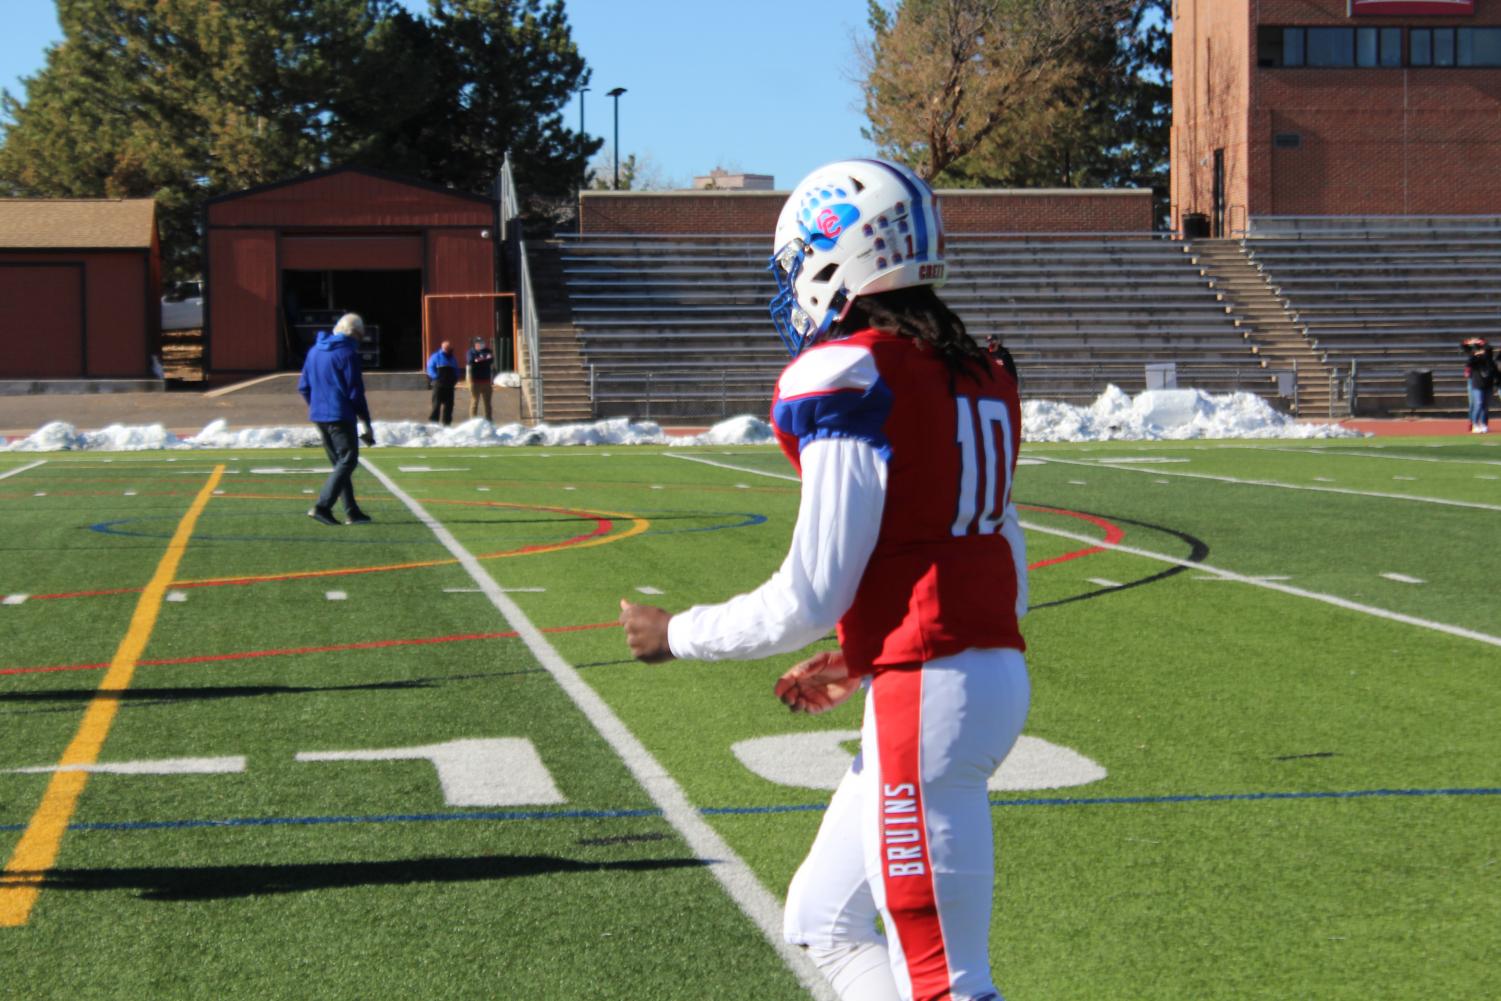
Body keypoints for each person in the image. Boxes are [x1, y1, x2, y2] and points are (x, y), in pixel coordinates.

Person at [619, 158, 1029, 1001]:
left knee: (947, 982)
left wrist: (677, 634)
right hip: (972, 673)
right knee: (822, 918)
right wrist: (868, 653)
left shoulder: (852, 372)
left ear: (835, 253)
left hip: (933, 689)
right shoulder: (971, 366)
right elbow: (999, 553)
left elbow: (808, 594)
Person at [297, 312, 376, 526]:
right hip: (339, 414)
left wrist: (316, 406)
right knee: (348, 460)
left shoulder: (314, 351)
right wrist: (366, 423)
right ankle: (322, 506)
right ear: (356, 334)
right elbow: (355, 392)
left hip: (319, 415)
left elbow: (303, 386)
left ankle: (351, 510)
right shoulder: (347, 353)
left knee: (340, 464)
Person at [1463, 336, 1497, 434]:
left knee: (1485, 406)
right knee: (1478, 403)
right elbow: (1469, 361)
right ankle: (1474, 424)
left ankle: (1484, 424)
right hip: (1477, 384)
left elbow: (1489, 349)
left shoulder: (1490, 362)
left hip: (1488, 385)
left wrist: (1482, 343)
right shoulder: (1475, 361)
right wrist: (1475, 353)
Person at [426, 339, 459, 426]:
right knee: (436, 405)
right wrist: (436, 377)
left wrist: (455, 378)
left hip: (449, 385)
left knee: (449, 406)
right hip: (438, 385)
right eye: (446, 347)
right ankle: (433, 424)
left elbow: (456, 369)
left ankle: (446, 424)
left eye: (449, 347)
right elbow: (430, 368)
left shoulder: (452, 358)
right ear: (443, 347)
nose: (448, 349)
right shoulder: (436, 357)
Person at [466, 335, 496, 421]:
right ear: (474, 344)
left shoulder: (488, 351)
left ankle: (489, 420)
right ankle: (472, 420)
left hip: (486, 381)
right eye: (478, 343)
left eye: (482, 343)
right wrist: (483, 358)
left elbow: (490, 359)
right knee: (475, 402)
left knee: (488, 403)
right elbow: (471, 361)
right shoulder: (470, 352)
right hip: (475, 382)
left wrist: (479, 359)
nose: (481, 345)